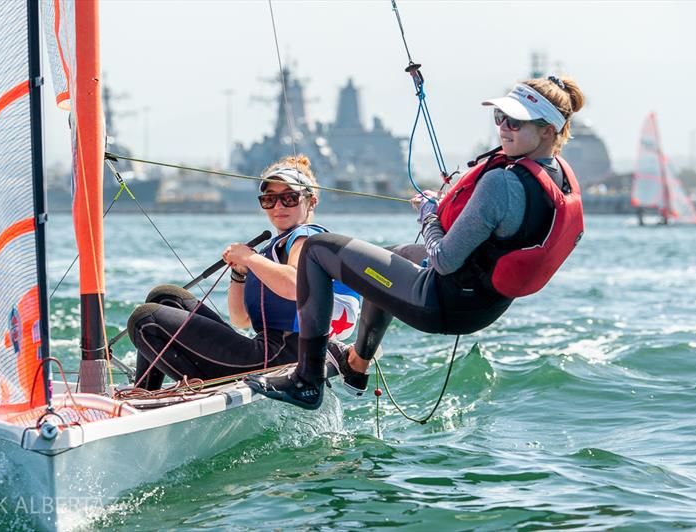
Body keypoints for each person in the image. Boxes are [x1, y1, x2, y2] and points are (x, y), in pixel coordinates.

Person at [246, 75, 585, 409]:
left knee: (319, 251)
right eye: (500, 117)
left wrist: (428, 215)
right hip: (482, 305)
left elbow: (443, 260)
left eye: (516, 121)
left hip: (442, 301)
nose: (504, 127)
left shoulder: (502, 182)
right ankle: (356, 366)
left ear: (548, 130)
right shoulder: (558, 175)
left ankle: (306, 382)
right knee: (388, 255)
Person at [127, 155, 360, 389]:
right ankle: (145, 391)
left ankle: (195, 390)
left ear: (311, 202)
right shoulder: (276, 249)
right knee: (165, 297)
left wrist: (249, 257)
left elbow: (293, 286)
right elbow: (242, 319)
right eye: (269, 199)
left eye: (289, 198)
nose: (278, 206)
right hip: (266, 349)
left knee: (145, 320)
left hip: (277, 358)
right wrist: (239, 273)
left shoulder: (306, 236)